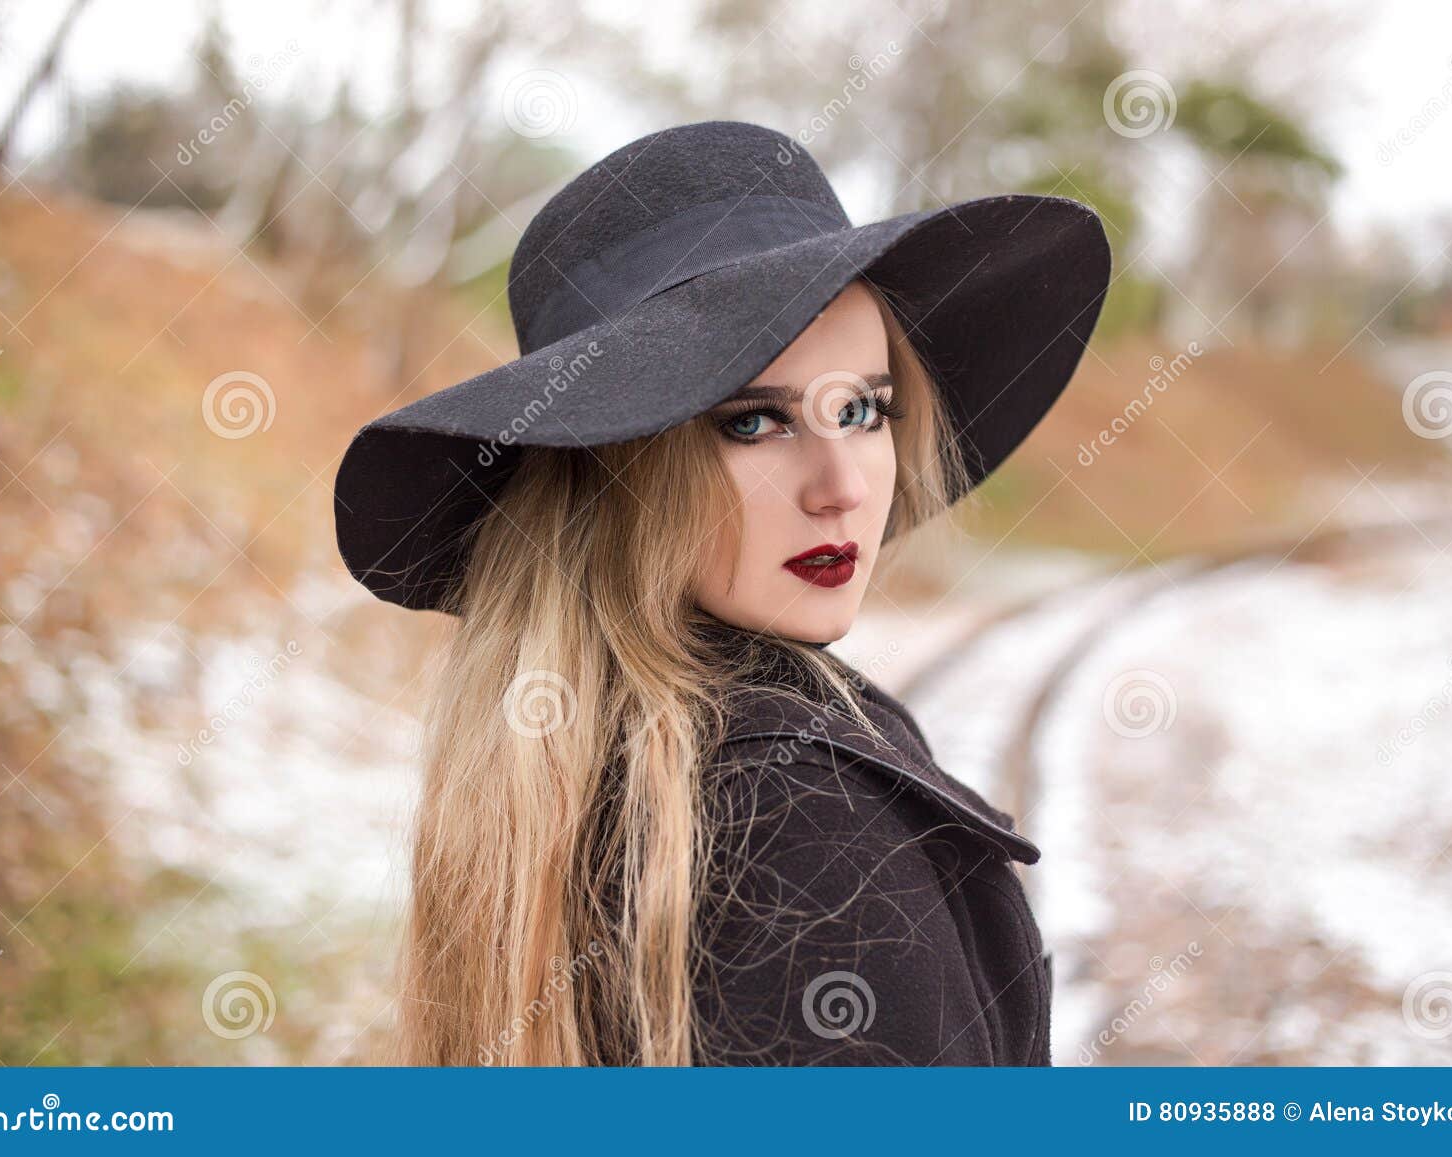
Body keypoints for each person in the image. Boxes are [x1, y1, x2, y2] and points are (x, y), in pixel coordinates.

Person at [332, 119, 1110, 1065]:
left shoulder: (564, 757)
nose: (844, 486)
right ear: (614, 465)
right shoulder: (803, 833)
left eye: (860, 409)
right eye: (753, 422)